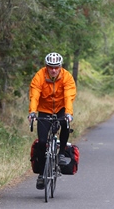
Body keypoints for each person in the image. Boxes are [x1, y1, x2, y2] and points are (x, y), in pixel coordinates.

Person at [28, 52, 77, 190]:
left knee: (65, 124)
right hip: (44, 109)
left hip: (61, 108)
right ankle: (42, 175)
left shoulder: (67, 77)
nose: (54, 70)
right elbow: (35, 94)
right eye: (51, 67)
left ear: (60, 66)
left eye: (56, 67)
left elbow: (68, 96)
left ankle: (61, 153)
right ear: (46, 67)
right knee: (42, 142)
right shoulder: (39, 76)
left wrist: (68, 113)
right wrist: (32, 112)